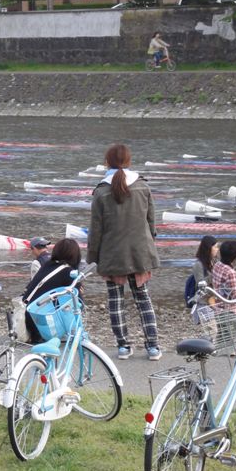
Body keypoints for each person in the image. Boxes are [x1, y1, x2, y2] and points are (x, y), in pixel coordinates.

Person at [86, 144, 162, 361]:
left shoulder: (101, 191)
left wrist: (92, 257)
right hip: (140, 252)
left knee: (115, 301)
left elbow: (96, 229)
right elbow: (151, 222)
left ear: (107, 162)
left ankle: (123, 347)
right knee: (143, 298)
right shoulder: (143, 186)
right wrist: (150, 245)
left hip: (112, 253)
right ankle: (153, 347)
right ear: (129, 161)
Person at [22, 238, 83, 344]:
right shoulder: (69, 272)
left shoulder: (48, 264)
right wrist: (80, 290)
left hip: (29, 315)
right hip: (43, 325)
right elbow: (78, 304)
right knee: (73, 304)